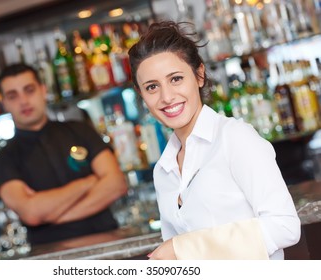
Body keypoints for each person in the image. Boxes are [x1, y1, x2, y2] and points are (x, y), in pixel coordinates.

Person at [128, 21, 301, 260]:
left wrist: (185, 248)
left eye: (176, 79)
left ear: (199, 75)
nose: (166, 97)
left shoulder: (235, 138)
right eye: (152, 87)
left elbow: (285, 227)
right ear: (142, 95)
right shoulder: (163, 170)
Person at [0, 63, 127, 245]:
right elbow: (31, 212)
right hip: (49, 260)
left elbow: (117, 184)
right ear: (4, 103)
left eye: (29, 90)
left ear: (43, 90)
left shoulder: (80, 130)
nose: (23, 101)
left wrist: (54, 214)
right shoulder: (3, 159)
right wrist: (88, 182)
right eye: (13, 96)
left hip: (109, 245)